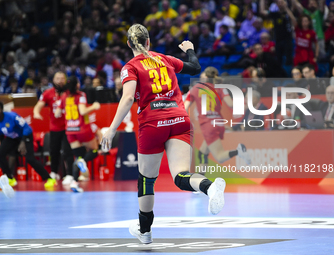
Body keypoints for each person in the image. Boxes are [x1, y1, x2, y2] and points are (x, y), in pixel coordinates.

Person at [101, 24, 225, 244]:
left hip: (152, 123)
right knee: (180, 175)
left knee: (147, 180)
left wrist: (111, 129)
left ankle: (145, 231)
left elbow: (128, 98)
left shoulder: (130, 67)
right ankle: (209, 187)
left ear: (129, 44)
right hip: (179, 119)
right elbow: (195, 68)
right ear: (148, 42)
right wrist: (189, 49)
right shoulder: (165, 59)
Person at [184, 67, 251, 169]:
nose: (201, 76)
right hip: (219, 124)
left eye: (203, 75)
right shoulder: (220, 88)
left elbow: (184, 108)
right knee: (202, 153)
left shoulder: (195, 88)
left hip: (208, 126)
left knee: (220, 156)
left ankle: (239, 151)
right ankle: (202, 181)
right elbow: (231, 104)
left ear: (206, 77)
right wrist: (246, 106)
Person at [0, 101, 56, 198]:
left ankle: (49, 179)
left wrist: (23, 142)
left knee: (30, 159)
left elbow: (27, 127)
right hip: (11, 138)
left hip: (25, 136)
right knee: (1, 153)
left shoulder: (12, 116)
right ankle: (10, 178)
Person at [55, 76, 100, 193]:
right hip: (82, 129)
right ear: (77, 85)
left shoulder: (64, 96)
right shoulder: (81, 95)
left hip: (70, 130)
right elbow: (83, 111)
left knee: (78, 157)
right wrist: (95, 106)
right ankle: (83, 162)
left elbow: (57, 113)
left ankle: (75, 182)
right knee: (95, 151)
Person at [33, 72, 74, 184]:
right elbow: (38, 106)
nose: (60, 81)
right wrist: (36, 113)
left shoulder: (69, 92)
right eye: (57, 78)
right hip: (55, 127)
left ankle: (70, 174)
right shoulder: (48, 93)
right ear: (53, 80)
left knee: (67, 151)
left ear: (65, 80)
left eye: (62, 78)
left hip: (68, 127)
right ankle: (54, 173)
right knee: (54, 151)